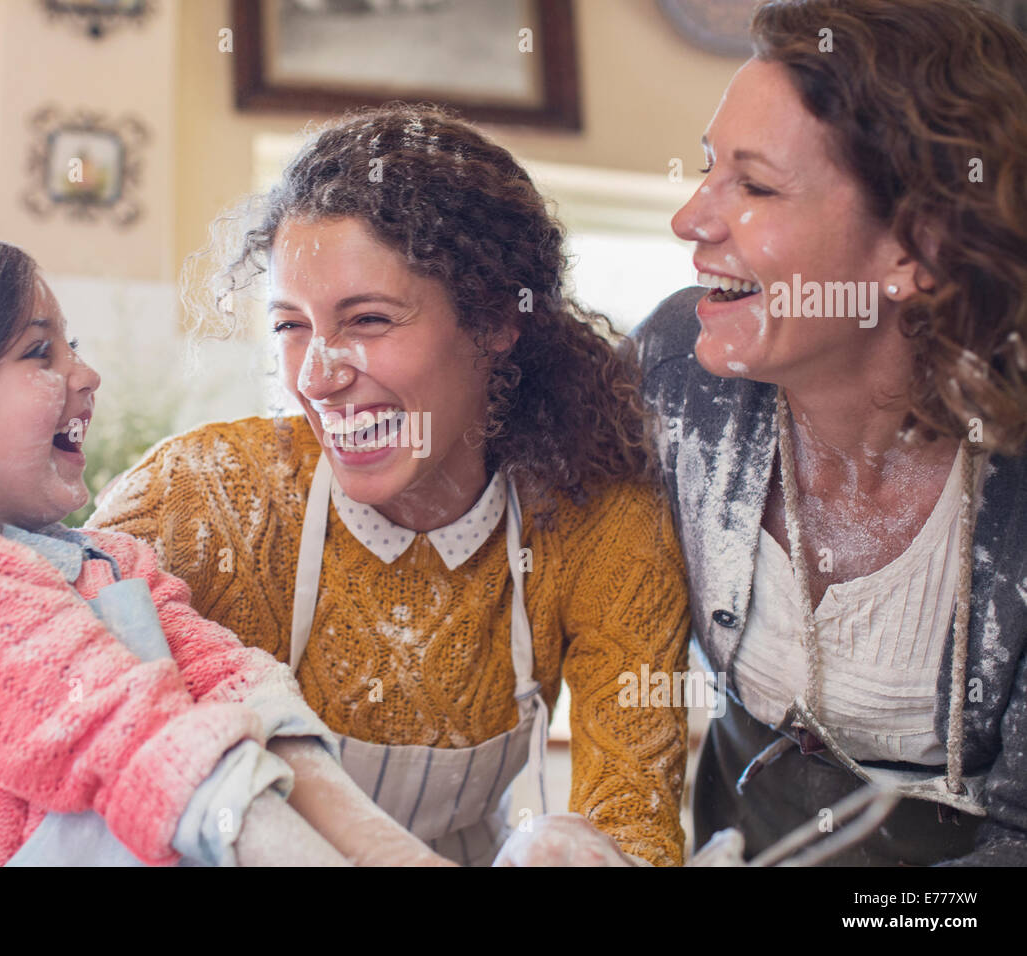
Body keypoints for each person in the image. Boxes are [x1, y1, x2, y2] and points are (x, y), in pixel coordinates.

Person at [87, 104, 693, 866]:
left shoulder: (601, 525)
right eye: (290, 325)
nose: (317, 375)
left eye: (368, 320)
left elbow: (634, 823)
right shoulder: (201, 496)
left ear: (498, 320)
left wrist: (590, 855)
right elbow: (14, 697)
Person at [0, 235, 451, 866]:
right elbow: (142, 751)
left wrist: (396, 855)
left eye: (73, 347)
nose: (86, 374)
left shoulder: (112, 561)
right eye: (40, 353)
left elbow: (237, 685)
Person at [635, 0, 1027, 865]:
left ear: (915, 248)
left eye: (756, 186)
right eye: (707, 169)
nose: (691, 220)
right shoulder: (671, 367)